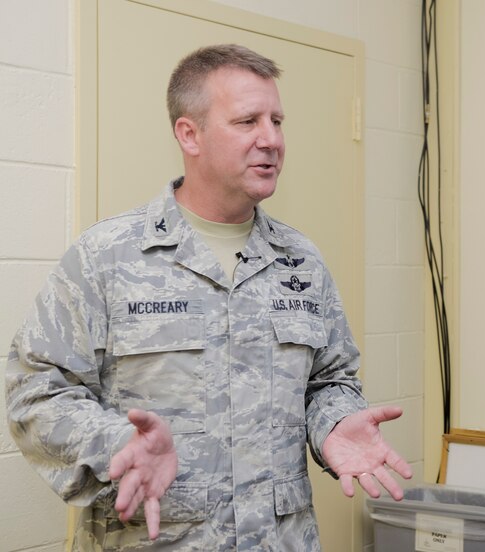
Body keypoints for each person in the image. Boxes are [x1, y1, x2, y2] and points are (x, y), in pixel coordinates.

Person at [5, 44, 412, 551]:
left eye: (277, 120)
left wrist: (334, 422)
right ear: (189, 134)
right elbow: (35, 390)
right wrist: (116, 443)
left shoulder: (300, 260)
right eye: (248, 121)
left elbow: (329, 379)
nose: (272, 139)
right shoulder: (107, 257)